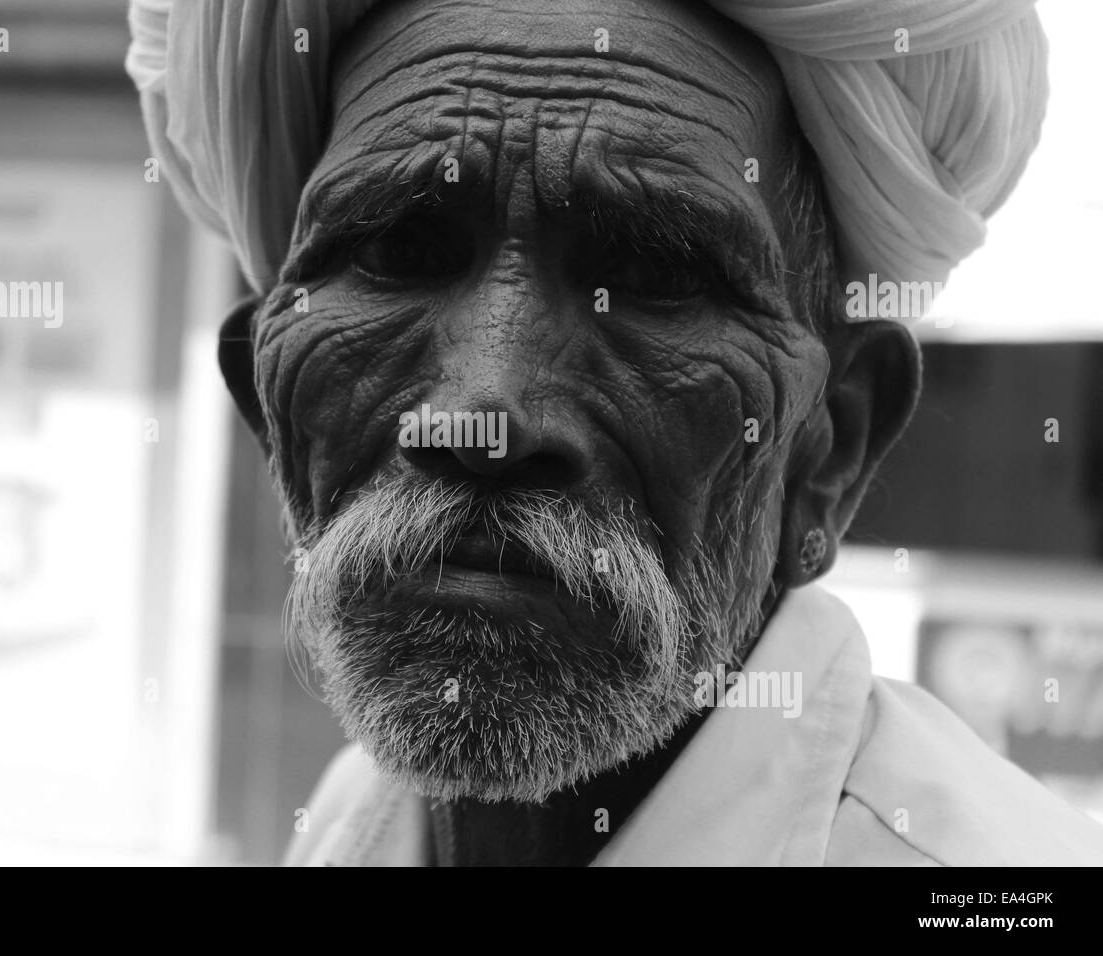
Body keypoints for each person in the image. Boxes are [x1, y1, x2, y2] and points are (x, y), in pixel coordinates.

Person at [126, 0, 1103, 865]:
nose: (482, 414)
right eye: (400, 250)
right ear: (267, 406)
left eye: (655, 275)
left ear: (830, 445)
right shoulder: (355, 815)